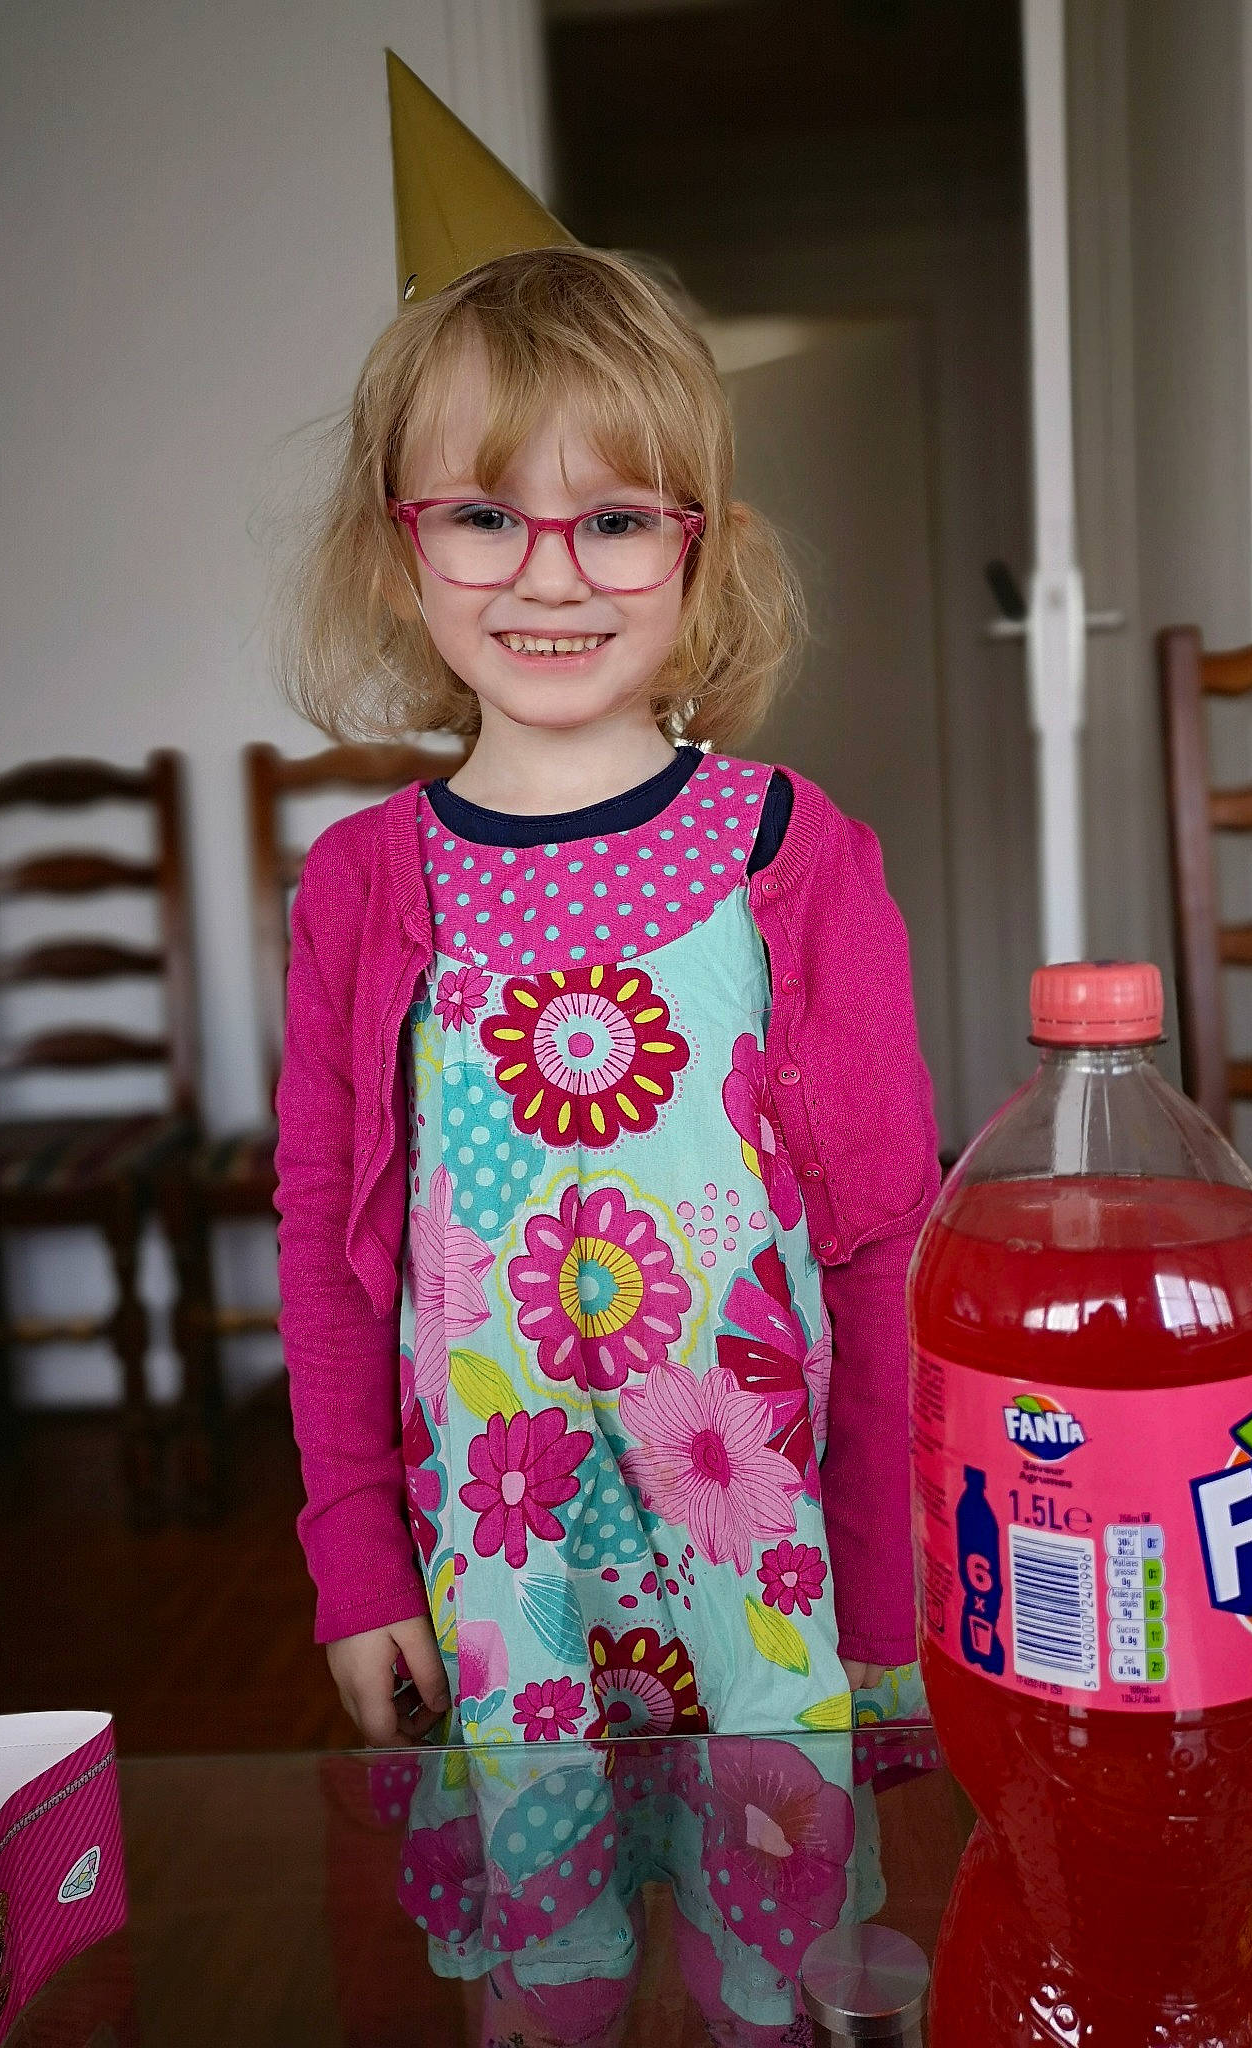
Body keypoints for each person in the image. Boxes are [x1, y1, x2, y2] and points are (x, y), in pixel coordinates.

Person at [276, 240, 938, 2044]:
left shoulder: (799, 855)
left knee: (769, 1985)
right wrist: (355, 1556)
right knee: (548, 1983)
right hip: (507, 1577)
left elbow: (881, 1237)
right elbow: (323, 1238)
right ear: (398, 550)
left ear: (700, 545)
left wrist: (886, 1584)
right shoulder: (362, 888)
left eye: (616, 520)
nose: (549, 574)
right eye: (486, 514)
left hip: (766, 1567)